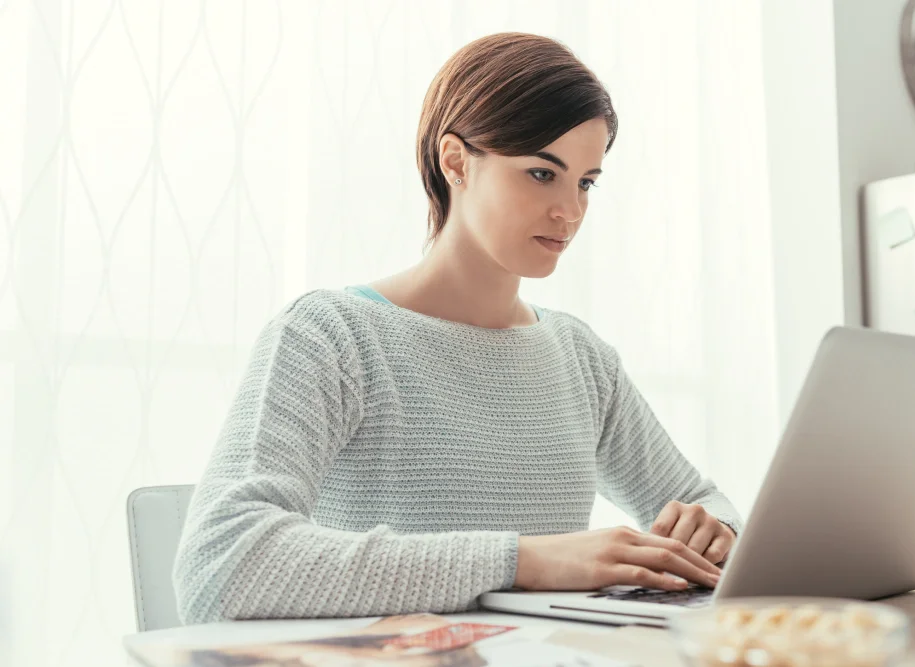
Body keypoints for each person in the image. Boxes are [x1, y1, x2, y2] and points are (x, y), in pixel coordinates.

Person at [172, 32, 742, 625]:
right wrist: (522, 560)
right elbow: (222, 565)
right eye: (542, 174)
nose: (570, 211)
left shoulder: (580, 358)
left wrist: (716, 528)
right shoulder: (332, 336)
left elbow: (704, 499)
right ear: (455, 161)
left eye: (586, 182)